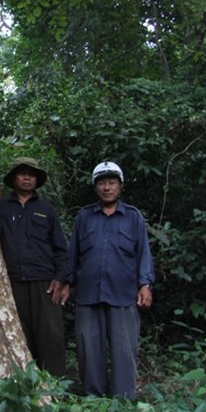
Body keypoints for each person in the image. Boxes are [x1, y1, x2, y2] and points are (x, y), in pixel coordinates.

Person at [62, 161, 154, 399]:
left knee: (124, 349)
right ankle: (94, 398)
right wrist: (66, 283)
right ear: (95, 188)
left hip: (123, 294)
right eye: (102, 183)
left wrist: (145, 284)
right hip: (88, 294)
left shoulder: (133, 217)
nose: (106, 187)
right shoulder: (84, 217)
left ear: (120, 186)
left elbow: (144, 252)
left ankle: (123, 401)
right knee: (88, 349)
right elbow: (73, 254)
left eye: (111, 182)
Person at [0, 157, 68, 376]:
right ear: (14, 178)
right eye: (22, 173)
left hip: (44, 285)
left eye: (32, 174)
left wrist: (61, 278)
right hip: (12, 284)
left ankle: (53, 390)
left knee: (50, 337)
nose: (27, 178)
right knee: (18, 337)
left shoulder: (46, 210)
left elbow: (61, 249)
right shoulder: (2, 207)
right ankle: (22, 389)